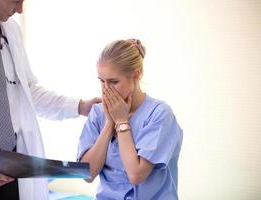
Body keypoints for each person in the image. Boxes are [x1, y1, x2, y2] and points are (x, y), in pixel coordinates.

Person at [0, 0, 100, 199]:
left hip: (14, 157)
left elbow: (28, 93)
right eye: (16, 1)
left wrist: (79, 107)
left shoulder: (10, 30)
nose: (20, 9)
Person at [77, 39, 183, 200]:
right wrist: (109, 124)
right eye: (101, 81)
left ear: (136, 74)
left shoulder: (160, 114)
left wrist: (121, 122)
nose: (105, 89)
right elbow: (87, 174)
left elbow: (136, 175)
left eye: (113, 82)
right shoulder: (98, 113)